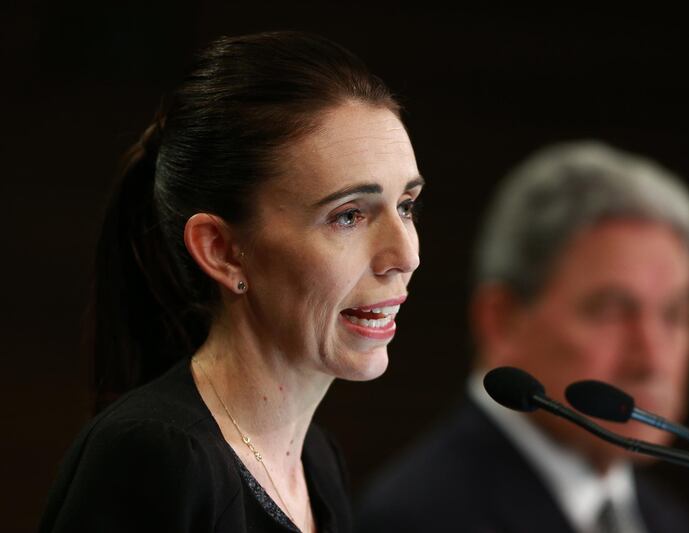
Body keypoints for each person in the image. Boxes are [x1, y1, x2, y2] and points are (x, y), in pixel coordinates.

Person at [39, 31, 423, 532]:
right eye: (348, 216)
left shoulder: (316, 459)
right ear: (222, 252)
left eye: (406, 206)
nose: (405, 256)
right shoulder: (155, 455)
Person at [358, 141, 689, 533]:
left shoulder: (665, 519)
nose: (653, 359)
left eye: (674, 315)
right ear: (501, 320)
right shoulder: (419, 518)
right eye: (611, 312)